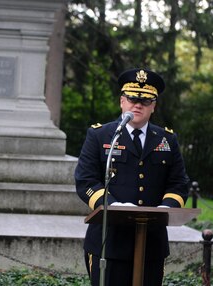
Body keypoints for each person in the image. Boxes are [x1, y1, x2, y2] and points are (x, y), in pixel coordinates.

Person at [74, 68, 189, 286]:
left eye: (145, 101)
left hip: (151, 242)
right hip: (109, 241)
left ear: (153, 106)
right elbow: (86, 181)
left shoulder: (167, 139)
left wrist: (166, 207)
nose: (138, 104)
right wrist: (114, 206)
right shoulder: (100, 136)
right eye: (132, 98)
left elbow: (179, 183)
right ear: (122, 102)